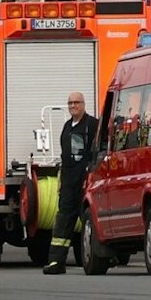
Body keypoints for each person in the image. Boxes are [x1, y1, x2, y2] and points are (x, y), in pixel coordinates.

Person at [44, 90, 99, 275]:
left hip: (85, 182)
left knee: (90, 221)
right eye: (70, 103)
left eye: (76, 102)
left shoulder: (92, 125)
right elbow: (64, 156)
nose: (73, 106)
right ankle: (56, 262)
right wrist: (61, 178)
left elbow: (99, 151)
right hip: (68, 183)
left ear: (83, 104)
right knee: (63, 222)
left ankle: (102, 257)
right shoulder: (67, 127)